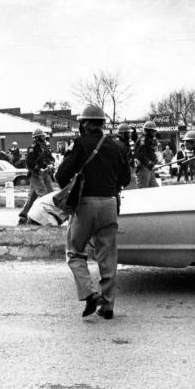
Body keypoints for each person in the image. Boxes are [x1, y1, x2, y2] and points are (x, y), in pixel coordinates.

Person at [57, 104, 131, 320]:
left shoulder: (80, 144)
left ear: (85, 124)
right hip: (110, 204)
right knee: (108, 256)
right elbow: (125, 179)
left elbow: (62, 175)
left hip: (86, 205)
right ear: (102, 124)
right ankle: (107, 306)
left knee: (74, 251)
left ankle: (90, 294)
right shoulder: (117, 146)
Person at [18, 128, 55, 224]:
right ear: (38, 137)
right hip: (36, 175)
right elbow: (29, 162)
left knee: (45, 195)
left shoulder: (45, 147)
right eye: (42, 135)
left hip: (46, 174)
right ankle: (41, 218)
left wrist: (51, 164)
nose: (44, 137)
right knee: (45, 195)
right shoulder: (33, 148)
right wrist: (39, 169)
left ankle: (23, 216)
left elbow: (50, 158)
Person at [134, 121, 159, 188]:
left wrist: (155, 159)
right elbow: (141, 155)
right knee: (143, 189)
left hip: (149, 168)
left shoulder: (149, 140)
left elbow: (150, 153)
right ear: (149, 131)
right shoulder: (143, 140)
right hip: (144, 168)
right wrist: (149, 163)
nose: (155, 133)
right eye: (154, 131)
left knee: (154, 188)